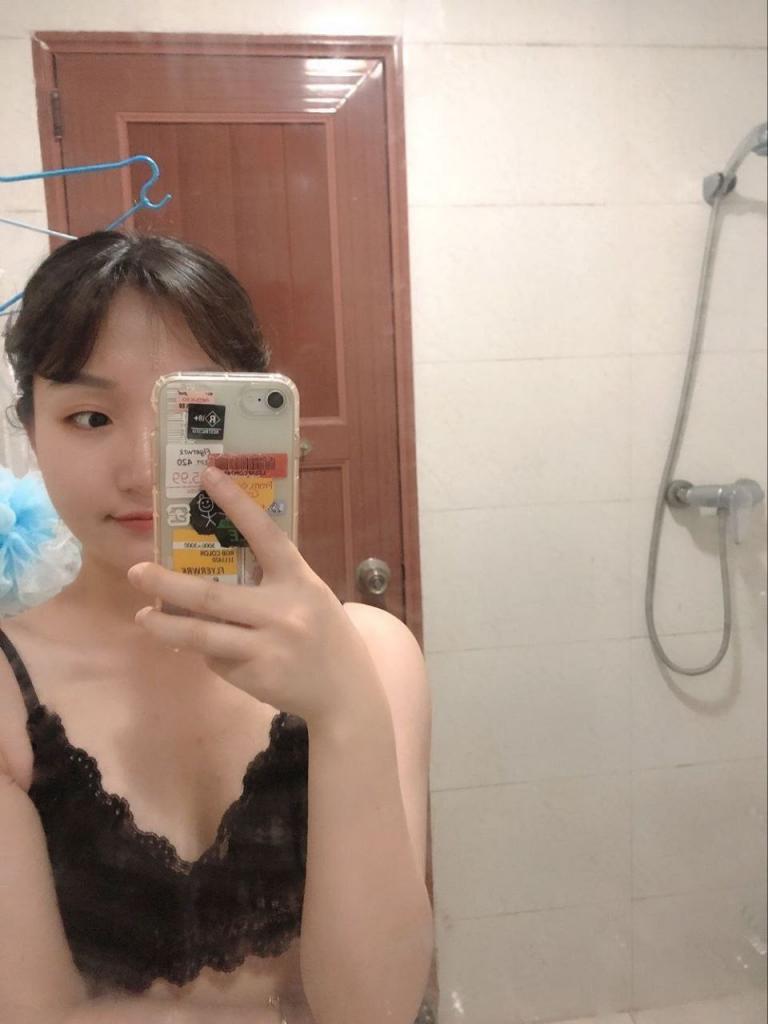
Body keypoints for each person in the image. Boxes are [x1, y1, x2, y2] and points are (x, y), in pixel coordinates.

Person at [0, 233, 434, 1024]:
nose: (143, 469)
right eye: (90, 417)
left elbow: (376, 1009)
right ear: (31, 429)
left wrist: (345, 710)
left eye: (193, 420)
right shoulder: (5, 695)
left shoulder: (374, 657)